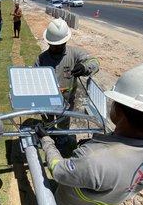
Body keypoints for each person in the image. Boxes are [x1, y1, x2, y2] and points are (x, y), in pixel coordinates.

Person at [35, 63, 143, 205]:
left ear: (117, 109)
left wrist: (46, 140)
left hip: (72, 203)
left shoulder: (93, 160)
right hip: (108, 199)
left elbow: (58, 171)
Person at [35, 18, 99, 153]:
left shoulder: (75, 54)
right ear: (48, 42)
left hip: (66, 101)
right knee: (47, 122)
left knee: (64, 123)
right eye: (54, 45)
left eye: (61, 44)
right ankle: (49, 139)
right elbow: (34, 80)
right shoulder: (41, 59)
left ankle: (62, 140)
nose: (58, 47)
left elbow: (94, 62)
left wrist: (85, 67)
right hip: (46, 101)